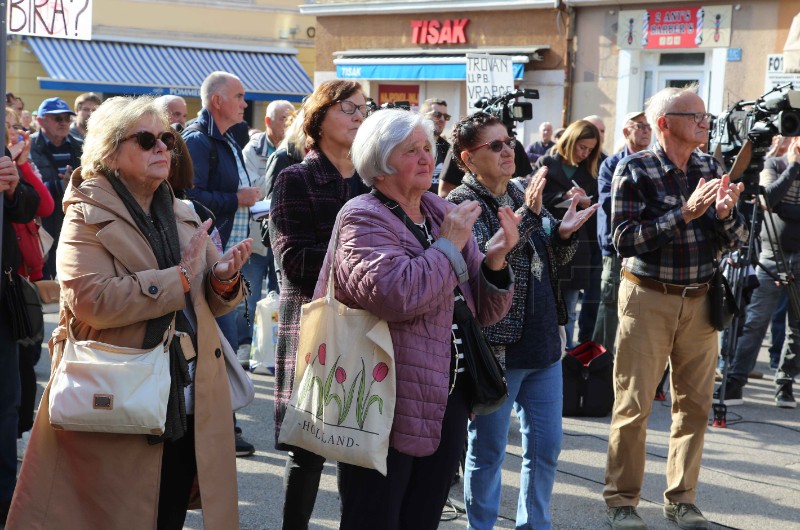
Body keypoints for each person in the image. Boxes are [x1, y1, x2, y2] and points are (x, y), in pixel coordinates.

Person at [7, 96, 251, 530]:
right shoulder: (86, 214)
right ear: (110, 151)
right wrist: (177, 279)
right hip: (117, 395)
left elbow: (213, 298)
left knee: (170, 510)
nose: (163, 149)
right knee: (119, 515)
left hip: (184, 395)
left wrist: (224, 279)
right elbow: (91, 300)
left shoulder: (183, 210)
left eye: (167, 139)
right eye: (146, 139)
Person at [326, 108, 516, 530]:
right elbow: (397, 294)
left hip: (447, 390)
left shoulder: (436, 210)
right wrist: (448, 247)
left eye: (428, 147)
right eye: (411, 150)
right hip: (381, 394)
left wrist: (497, 261)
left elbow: (484, 311)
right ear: (380, 160)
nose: (427, 158)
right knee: (375, 515)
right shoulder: (363, 215)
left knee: (423, 515)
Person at [604, 85, 747, 530]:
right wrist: (681, 215)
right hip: (648, 297)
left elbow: (738, 239)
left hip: (701, 299)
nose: (706, 124)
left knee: (696, 406)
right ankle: (622, 502)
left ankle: (682, 499)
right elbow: (622, 239)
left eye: (707, 117)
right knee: (634, 405)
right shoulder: (634, 168)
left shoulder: (710, 165)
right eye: (696, 117)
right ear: (665, 123)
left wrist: (725, 216)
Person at [447, 111, 596, 529]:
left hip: (544, 343)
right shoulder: (461, 205)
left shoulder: (517, 190)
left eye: (508, 141)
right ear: (468, 157)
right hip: (497, 348)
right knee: (490, 449)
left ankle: (535, 524)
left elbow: (548, 256)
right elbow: (484, 268)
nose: (508, 149)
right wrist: (532, 218)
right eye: (494, 145)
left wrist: (563, 234)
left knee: (547, 447)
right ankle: (481, 525)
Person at [269, 80, 371, 530]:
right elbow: (294, 263)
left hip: (370, 325)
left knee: (362, 448)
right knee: (307, 451)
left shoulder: (375, 180)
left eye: (364, 109)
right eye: (348, 107)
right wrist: (365, 262)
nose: (358, 116)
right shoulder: (296, 177)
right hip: (315, 326)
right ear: (319, 117)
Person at [182, 71, 259, 456]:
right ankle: (219, 427)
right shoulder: (198, 140)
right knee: (221, 345)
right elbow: (187, 197)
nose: (245, 103)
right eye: (240, 95)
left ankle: (219, 426)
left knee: (221, 345)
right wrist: (238, 197)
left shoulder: (225, 139)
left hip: (225, 260)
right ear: (217, 101)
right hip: (207, 265)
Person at [714, 136, 800, 408]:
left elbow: (777, 205)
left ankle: (785, 384)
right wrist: (794, 167)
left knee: (797, 328)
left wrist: (784, 209)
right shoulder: (773, 164)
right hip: (772, 256)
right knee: (755, 322)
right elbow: (768, 200)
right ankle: (735, 382)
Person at [6, 107, 55, 462]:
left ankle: (18, 439)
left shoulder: (16, 163)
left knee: (22, 369)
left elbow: (44, 204)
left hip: (21, 285)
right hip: (15, 281)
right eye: (8, 127)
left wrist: (18, 170)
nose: (13, 133)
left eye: (12, 127)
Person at [534, 120, 602, 349]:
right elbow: (530, 198)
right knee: (541, 308)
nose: (585, 153)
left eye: (590, 149)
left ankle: (567, 361)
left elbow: (596, 210)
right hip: (545, 243)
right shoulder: (547, 162)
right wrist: (564, 196)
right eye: (582, 146)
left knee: (569, 311)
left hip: (577, 248)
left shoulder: (591, 171)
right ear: (570, 141)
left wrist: (585, 202)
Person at [0, 152, 40, 525]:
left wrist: (13, 188)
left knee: (6, 405)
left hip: (4, 302)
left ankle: (5, 507)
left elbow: (31, 206)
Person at [592, 111, 652, 356]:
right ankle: (598, 363)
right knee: (609, 304)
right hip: (615, 245)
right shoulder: (611, 164)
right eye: (640, 126)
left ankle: (628, 360)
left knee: (641, 306)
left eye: (649, 126)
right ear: (627, 131)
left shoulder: (654, 162)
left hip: (646, 246)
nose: (647, 130)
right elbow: (610, 204)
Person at [239, 100, 295, 352]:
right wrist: (281, 173)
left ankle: (272, 349)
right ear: (269, 122)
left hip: (281, 235)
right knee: (248, 296)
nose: (288, 122)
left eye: (291, 117)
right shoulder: (253, 150)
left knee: (279, 294)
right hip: (255, 236)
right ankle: (244, 345)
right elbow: (251, 188)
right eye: (283, 118)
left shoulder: (295, 149)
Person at [30, 97, 83, 279]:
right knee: (46, 270)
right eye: (57, 118)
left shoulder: (80, 145)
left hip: (73, 212)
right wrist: (60, 186)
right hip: (43, 218)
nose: (63, 123)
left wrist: (74, 183)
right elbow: (29, 185)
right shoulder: (29, 147)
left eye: (67, 118)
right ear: (40, 120)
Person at [419, 97, 454, 193]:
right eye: (437, 115)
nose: (442, 119)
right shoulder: (413, 145)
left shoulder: (449, 149)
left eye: (446, 116)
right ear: (423, 116)